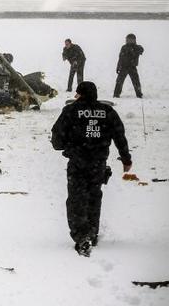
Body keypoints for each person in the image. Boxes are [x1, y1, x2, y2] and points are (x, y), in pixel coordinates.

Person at [51, 81, 132, 257]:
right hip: (98, 164)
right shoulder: (108, 112)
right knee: (94, 197)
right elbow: (119, 135)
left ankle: (82, 237)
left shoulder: (71, 111)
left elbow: (57, 138)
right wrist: (126, 158)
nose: (75, 97)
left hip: (78, 163)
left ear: (80, 94)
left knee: (76, 200)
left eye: (77, 93)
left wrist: (67, 147)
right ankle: (92, 233)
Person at [114, 34, 144, 98]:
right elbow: (120, 58)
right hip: (123, 67)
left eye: (130, 39)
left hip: (132, 67)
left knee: (136, 81)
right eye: (127, 39)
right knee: (119, 81)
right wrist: (118, 66)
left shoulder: (137, 47)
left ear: (134, 40)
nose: (128, 41)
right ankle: (116, 94)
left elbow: (141, 50)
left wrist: (135, 49)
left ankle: (139, 94)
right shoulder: (124, 47)